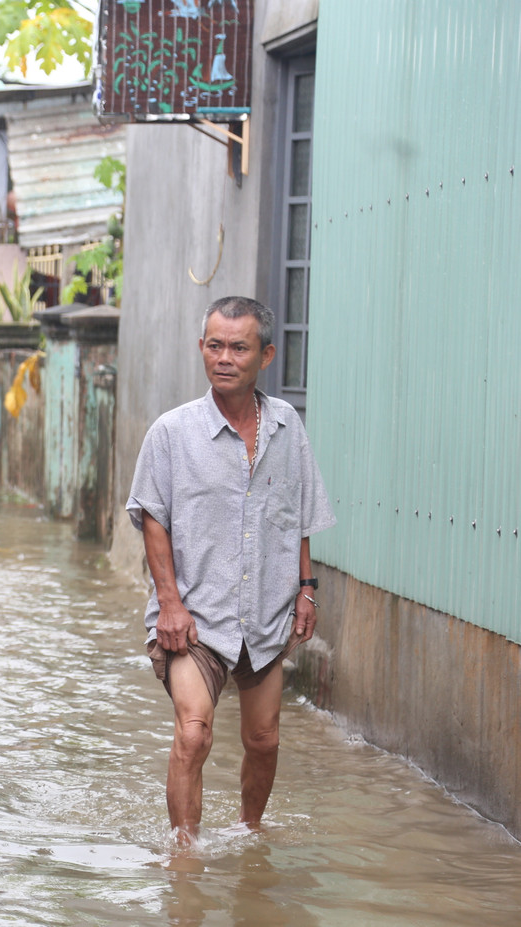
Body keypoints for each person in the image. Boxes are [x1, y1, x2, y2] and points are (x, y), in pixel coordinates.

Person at [126, 296, 334, 846]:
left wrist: (307, 589)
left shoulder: (288, 427)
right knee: (193, 735)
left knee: (264, 740)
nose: (224, 357)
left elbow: (298, 514)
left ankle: (248, 834)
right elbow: (152, 518)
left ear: (265, 355)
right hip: (196, 618)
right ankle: (185, 854)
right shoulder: (171, 433)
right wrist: (169, 603)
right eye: (214, 345)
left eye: (238, 347)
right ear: (201, 349)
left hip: (266, 612)